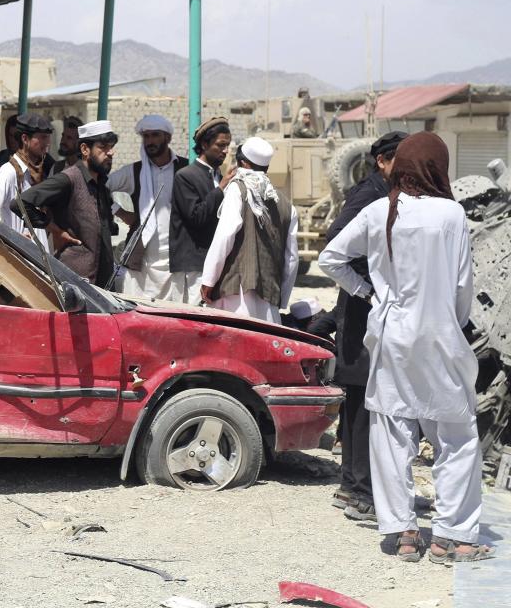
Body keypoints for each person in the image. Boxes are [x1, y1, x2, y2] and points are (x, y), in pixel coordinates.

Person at [319, 132, 494, 564]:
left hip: (391, 335)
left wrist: (369, 293)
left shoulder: (380, 211)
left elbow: (330, 258)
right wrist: (447, 320)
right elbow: (461, 287)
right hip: (438, 335)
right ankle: (453, 536)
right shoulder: (451, 214)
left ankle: (403, 532)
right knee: (456, 434)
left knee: (393, 432)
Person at [325, 130, 407, 520]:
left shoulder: (383, 193)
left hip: (364, 306)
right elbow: (335, 242)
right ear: (383, 161)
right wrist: (367, 287)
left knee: (362, 399)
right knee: (362, 399)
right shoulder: (370, 195)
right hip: (362, 309)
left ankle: (352, 487)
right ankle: (360, 492)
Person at [200, 137, 299, 323]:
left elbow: (224, 237)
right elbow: (292, 259)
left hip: (234, 298)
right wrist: (281, 297)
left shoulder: (237, 190)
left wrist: (208, 281)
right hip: (269, 303)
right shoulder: (287, 205)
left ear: (243, 163)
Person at [11, 120, 117, 286]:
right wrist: (55, 230)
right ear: (85, 149)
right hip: (75, 281)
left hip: (103, 281)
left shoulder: (101, 183)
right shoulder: (68, 178)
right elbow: (20, 203)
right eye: (103, 147)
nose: (110, 153)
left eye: (111, 147)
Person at [106, 114, 190, 300]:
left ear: (167, 138)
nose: (150, 141)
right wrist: (119, 211)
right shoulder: (134, 172)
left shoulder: (185, 169)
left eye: (155, 135)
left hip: (175, 259)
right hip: (141, 260)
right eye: (146, 136)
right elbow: (100, 187)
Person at [169, 117, 234, 302]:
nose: (225, 151)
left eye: (227, 145)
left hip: (211, 263)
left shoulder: (217, 176)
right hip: (191, 267)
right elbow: (196, 217)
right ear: (205, 144)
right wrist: (220, 189)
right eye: (221, 145)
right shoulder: (185, 176)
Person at [0, 113, 52, 248]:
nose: (47, 143)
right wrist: (11, 238)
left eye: (48, 138)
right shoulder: (9, 172)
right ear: (25, 139)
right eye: (42, 138)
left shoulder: (38, 173)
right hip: (20, 258)